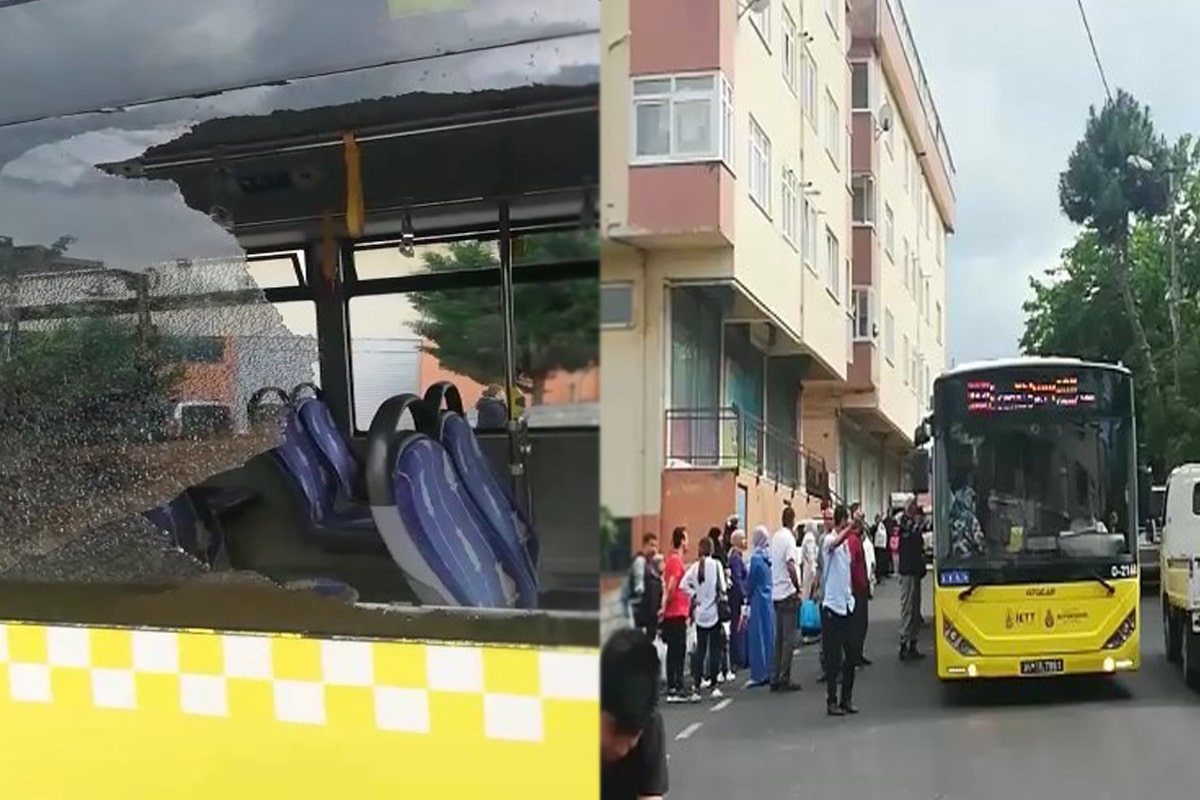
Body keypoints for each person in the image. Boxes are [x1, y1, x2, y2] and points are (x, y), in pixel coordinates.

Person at [601, 628, 669, 800]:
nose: (621, 749)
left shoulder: (649, 721)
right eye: (616, 731)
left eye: (632, 736)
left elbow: (650, 795)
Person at [821, 505, 859, 716]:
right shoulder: (829, 540)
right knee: (833, 658)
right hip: (832, 607)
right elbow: (835, 543)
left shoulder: (847, 546)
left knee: (851, 654)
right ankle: (832, 701)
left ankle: (847, 698)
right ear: (842, 520)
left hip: (846, 604)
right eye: (847, 522)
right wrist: (849, 529)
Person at [682, 537, 726, 701]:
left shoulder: (694, 567)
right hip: (714, 612)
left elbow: (682, 584)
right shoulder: (716, 565)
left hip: (700, 614)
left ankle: (696, 687)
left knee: (700, 651)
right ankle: (714, 684)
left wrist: (694, 596)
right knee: (714, 650)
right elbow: (722, 587)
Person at [769, 503, 802, 693]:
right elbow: (790, 565)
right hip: (788, 592)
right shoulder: (789, 539)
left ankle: (775, 676)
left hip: (776, 592)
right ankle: (784, 677)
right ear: (793, 521)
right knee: (789, 638)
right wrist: (797, 587)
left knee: (779, 638)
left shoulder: (776, 537)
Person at [659, 527, 691, 701]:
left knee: (677, 650)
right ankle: (675, 686)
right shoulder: (675, 561)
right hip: (675, 613)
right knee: (677, 651)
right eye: (686, 539)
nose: (688, 543)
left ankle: (675, 684)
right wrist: (665, 607)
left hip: (678, 612)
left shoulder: (674, 561)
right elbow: (671, 587)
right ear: (681, 540)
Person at [898, 499, 928, 660]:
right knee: (908, 607)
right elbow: (912, 532)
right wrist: (919, 524)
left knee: (915, 609)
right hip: (908, 571)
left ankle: (912, 642)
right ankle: (904, 641)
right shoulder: (904, 523)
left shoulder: (912, 525)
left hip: (915, 571)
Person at [745, 525, 775, 687]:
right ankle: (771, 669)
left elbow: (750, 583)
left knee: (757, 637)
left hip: (757, 600)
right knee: (769, 634)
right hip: (768, 598)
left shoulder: (755, 559)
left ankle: (759, 673)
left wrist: (747, 594)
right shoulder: (768, 557)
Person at [846, 508, 873, 668]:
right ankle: (855, 655)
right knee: (858, 623)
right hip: (857, 588)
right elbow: (852, 565)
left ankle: (858, 654)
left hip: (861, 585)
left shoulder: (856, 541)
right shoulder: (853, 541)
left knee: (861, 623)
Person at [625, 533, 662, 640]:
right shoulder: (640, 561)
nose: (654, 549)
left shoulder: (650, 564)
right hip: (641, 615)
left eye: (656, 546)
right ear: (644, 545)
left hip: (649, 615)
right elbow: (639, 588)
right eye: (651, 545)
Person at [728, 529, 749, 670]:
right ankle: (737, 658)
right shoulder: (736, 558)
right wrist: (744, 595)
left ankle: (738, 657)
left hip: (737, 596)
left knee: (737, 626)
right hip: (737, 598)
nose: (745, 541)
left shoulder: (737, 556)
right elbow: (737, 578)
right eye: (743, 538)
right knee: (737, 626)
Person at [873, 513, 891, 579]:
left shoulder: (882, 525)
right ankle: (878, 575)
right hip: (878, 546)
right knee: (879, 561)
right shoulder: (876, 526)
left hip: (882, 545)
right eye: (878, 518)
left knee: (882, 560)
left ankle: (883, 573)